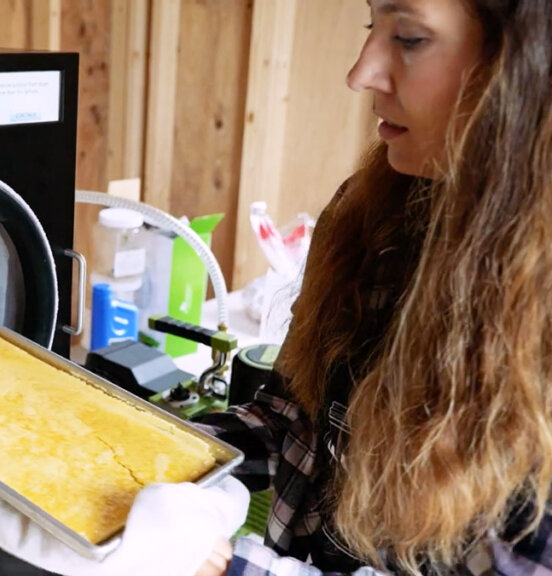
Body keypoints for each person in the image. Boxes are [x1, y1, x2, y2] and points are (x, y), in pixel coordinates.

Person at [194, 0, 552, 574]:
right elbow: (294, 420)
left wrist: (224, 568)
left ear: (524, 67)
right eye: (372, 27)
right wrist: (150, 454)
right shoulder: (371, 216)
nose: (361, 72)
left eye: (409, 38)